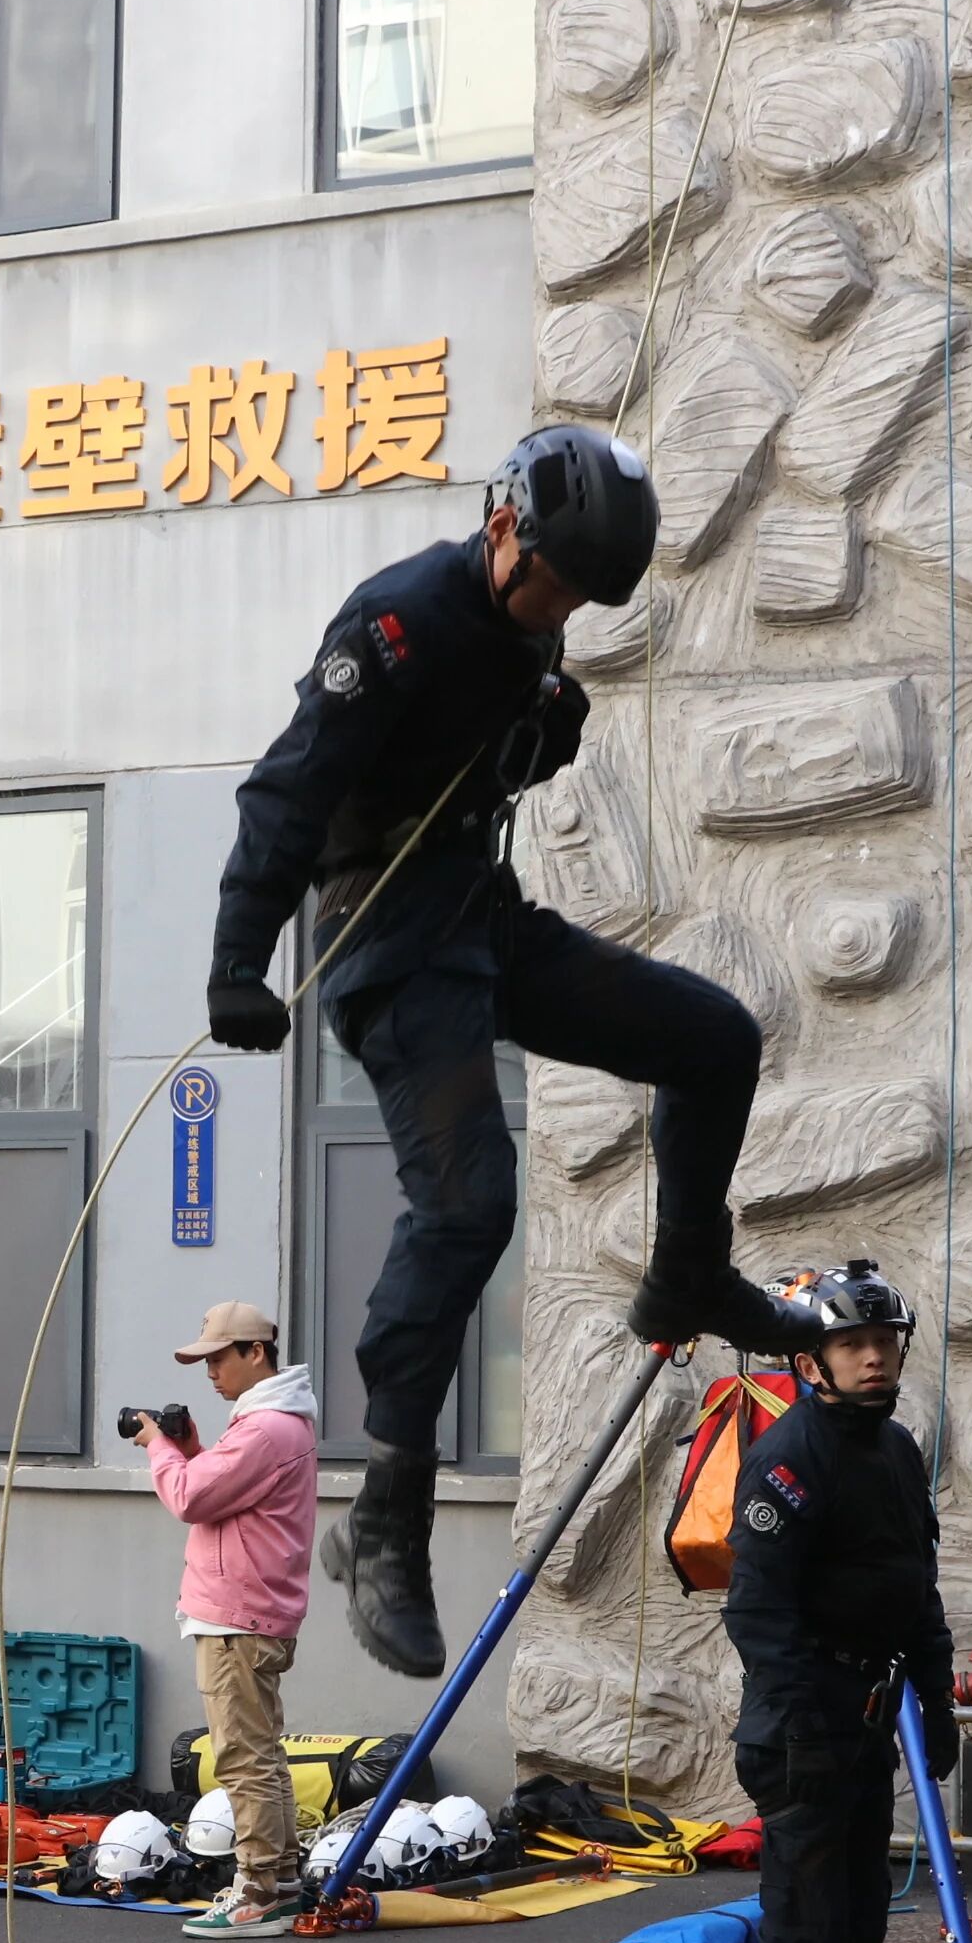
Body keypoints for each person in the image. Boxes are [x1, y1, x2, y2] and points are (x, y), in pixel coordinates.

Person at [206, 422, 815, 1682]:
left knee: (715, 1040)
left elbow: (470, 760)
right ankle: (388, 1513)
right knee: (471, 1201)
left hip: (482, 926)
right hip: (389, 947)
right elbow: (288, 794)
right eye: (554, 589)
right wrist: (237, 962)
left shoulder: (534, 619)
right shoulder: (394, 624)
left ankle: (689, 1275)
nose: (563, 613)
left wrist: (540, 731)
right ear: (503, 530)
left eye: (584, 604)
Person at [715, 1260, 951, 1943]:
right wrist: (812, 1715)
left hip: (865, 1718)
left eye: (884, 1341)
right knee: (802, 1935)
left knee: (854, 1930)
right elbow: (757, 1612)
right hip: (803, 1727)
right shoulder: (789, 1456)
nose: (873, 1357)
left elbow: (913, 1591)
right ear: (811, 1361)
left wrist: (935, 1707)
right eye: (852, 1344)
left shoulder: (892, 1449)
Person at [133, 1301, 323, 1938]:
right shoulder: (273, 1425)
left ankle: (259, 1893)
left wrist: (160, 1447)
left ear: (256, 1353)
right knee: (262, 1755)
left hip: (236, 1617)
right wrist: (188, 1445)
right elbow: (221, 1485)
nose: (210, 1371)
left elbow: (189, 1496)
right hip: (251, 1611)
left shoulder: (266, 1428)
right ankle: (282, 1880)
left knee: (243, 1759)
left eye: (219, 1357)